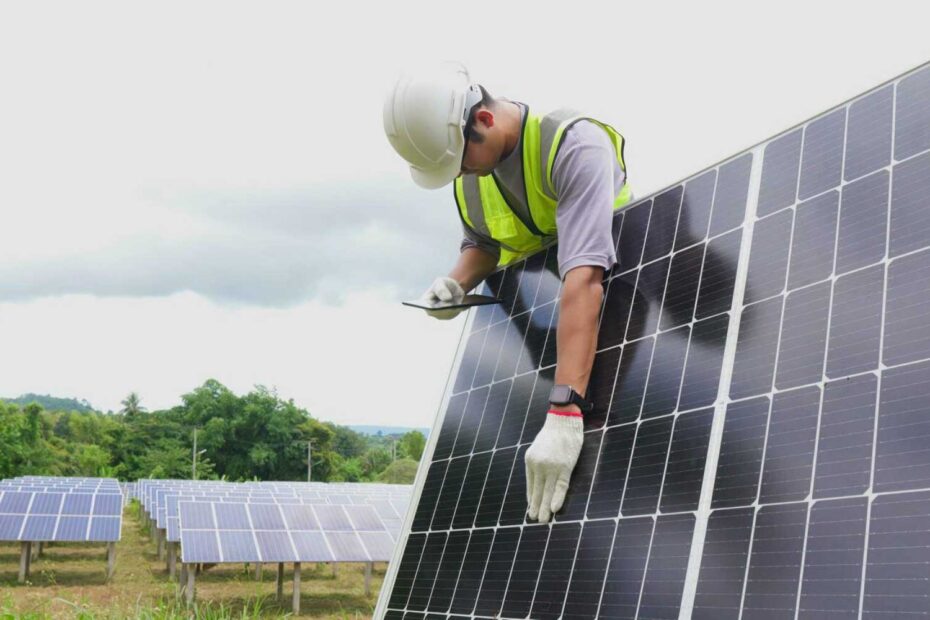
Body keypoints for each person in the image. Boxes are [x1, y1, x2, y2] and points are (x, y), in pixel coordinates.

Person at [382, 63, 632, 523]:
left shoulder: (573, 145)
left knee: (606, 486)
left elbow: (584, 278)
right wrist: (457, 282)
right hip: (535, 347)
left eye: (460, 159)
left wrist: (565, 408)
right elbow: (482, 244)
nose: (461, 173)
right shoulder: (470, 177)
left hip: (616, 313)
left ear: (484, 121)